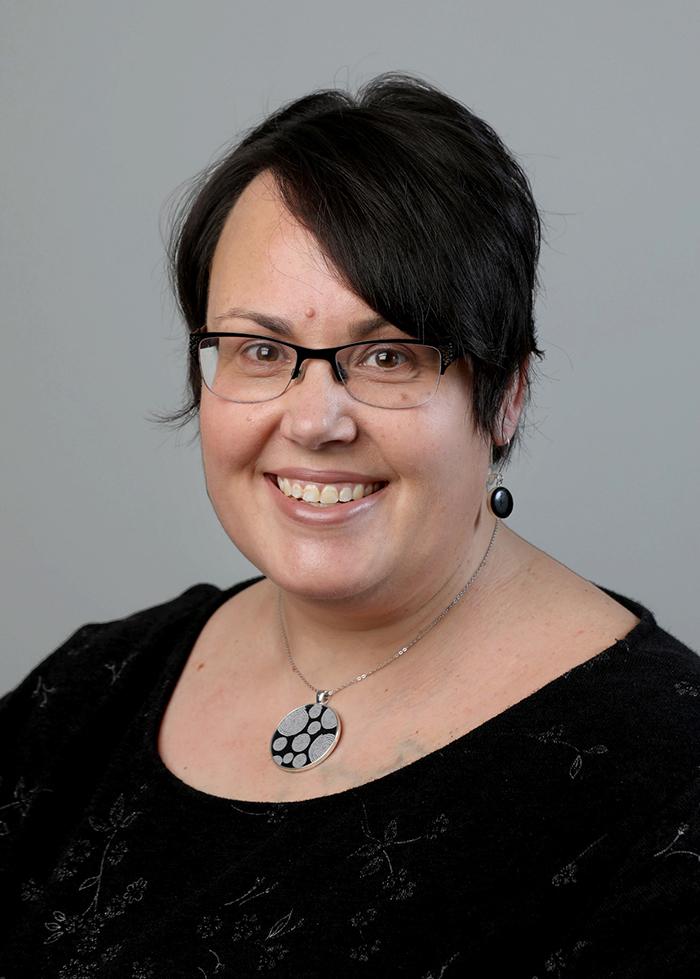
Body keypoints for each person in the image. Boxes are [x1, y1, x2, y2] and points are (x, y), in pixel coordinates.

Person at [1, 72, 698, 978]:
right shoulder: (93, 693)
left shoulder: (668, 781)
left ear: (507, 394)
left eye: (387, 355)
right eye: (260, 350)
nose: (314, 420)